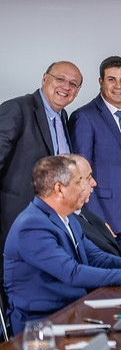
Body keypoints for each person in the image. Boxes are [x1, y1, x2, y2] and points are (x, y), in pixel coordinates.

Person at [3, 155, 121, 334]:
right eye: (79, 182)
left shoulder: (68, 219)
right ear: (59, 189)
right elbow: (72, 273)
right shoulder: (32, 225)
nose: (85, 188)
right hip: (42, 325)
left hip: (74, 312)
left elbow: (99, 258)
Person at [0, 61, 83, 285]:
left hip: (50, 226)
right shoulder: (17, 109)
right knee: (15, 294)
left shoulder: (63, 118)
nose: (66, 87)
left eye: (73, 84)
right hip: (14, 222)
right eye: (60, 79)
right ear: (45, 78)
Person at [69, 56, 121, 251]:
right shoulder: (84, 117)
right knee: (104, 277)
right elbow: (79, 175)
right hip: (102, 217)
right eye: (111, 79)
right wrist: (95, 220)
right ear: (101, 81)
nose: (118, 85)